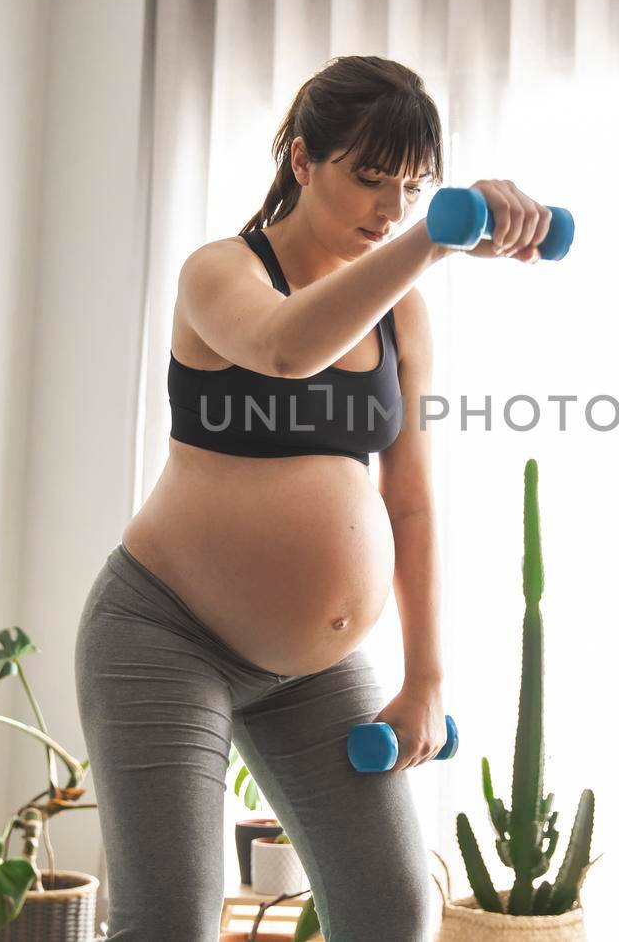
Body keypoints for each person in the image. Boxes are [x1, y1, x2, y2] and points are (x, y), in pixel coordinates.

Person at [74, 54, 552, 941]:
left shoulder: (401, 311)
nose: (389, 210)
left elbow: (409, 497)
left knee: (393, 906)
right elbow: (289, 348)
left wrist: (426, 676)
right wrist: (435, 238)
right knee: (172, 920)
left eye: (412, 188)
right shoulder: (220, 273)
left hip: (314, 668)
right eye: (369, 179)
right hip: (165, 633)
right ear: (302, 160)